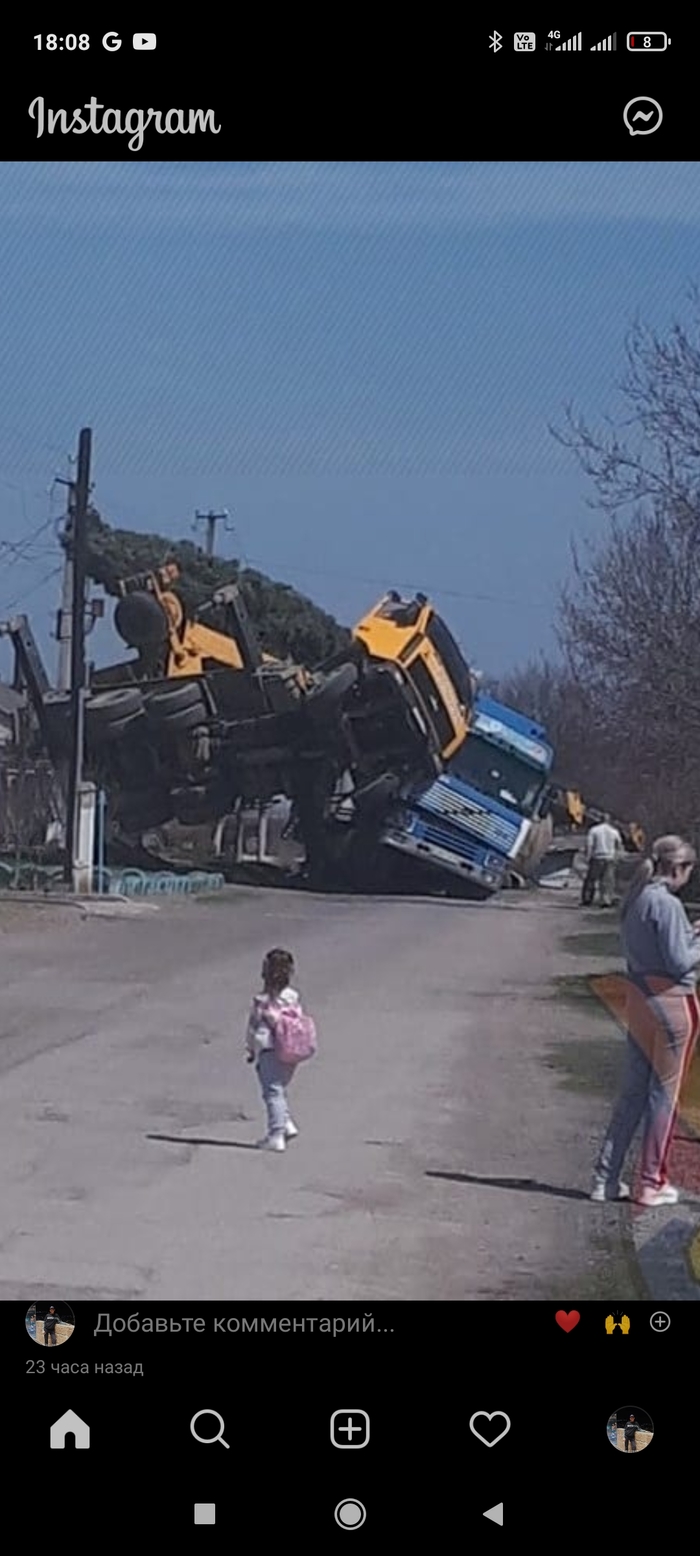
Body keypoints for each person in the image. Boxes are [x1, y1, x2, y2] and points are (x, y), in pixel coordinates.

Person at [591, 835, 700, 1206]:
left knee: (634, 1093)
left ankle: (606, 1176)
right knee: (664, 1096)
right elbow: (679, 961)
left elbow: (661, 948)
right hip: (670, 1000)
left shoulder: (636, 898)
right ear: (678, 868)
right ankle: (652, 1181)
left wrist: (690, 935)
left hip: (638, 996)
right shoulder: (666, 903)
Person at [245, 948, 303, 1152]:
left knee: (272, 1092)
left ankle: (276, 1134)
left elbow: (253, 1029)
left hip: (269, 1049)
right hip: (291, 1049)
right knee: (279, 1087)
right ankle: (286, 1123)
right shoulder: (292, 997)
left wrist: (251, 1049)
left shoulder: (262, 1002)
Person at [581, 813, 623, 907]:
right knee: (607, 881)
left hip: (597, 857)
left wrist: (587, 856)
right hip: (609, 858)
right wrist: (617, 857)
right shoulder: (614, 831)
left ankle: (587, 899)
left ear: (600, 819)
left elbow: (589, 845)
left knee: (591, 880)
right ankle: (606, 900)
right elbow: (619, 845)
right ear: (609, 820)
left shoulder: (594, 830)